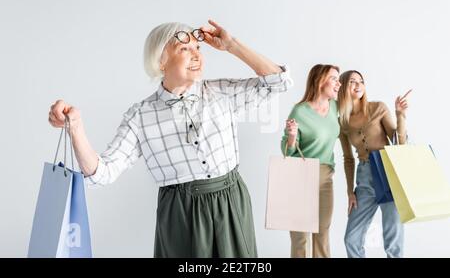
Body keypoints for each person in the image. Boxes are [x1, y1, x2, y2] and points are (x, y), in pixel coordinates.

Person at [48, 20, 292, 257]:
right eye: (184, 48)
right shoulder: (141, 116)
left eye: (197, 47)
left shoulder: (221, 92)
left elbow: (278, 82)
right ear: (161, 61)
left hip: (231, 202)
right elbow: (102, 173)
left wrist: (232, 45)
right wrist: (76, 128)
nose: (196, 55)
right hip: (181, 214)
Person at [338, 70, 410, 258]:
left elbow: (399, 143)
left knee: (392, 240)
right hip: (363, 179)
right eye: (352, 81)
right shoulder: (342, 122)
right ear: (343, 86)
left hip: (388, 174)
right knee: (351, 239)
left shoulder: (378, 108)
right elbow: (347, 159)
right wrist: (349, 192)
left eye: (361, 81)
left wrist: (401, 116)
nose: (358, 85)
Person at [281, 64, 341, 258]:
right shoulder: (299, 111)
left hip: (325, 177)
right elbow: (286, 150)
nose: (338, 83)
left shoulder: (335, 107)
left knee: (322, 233)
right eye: (334, 78)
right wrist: (291, 136)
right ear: (320, 80)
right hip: (300, 176)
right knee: (300, 236)